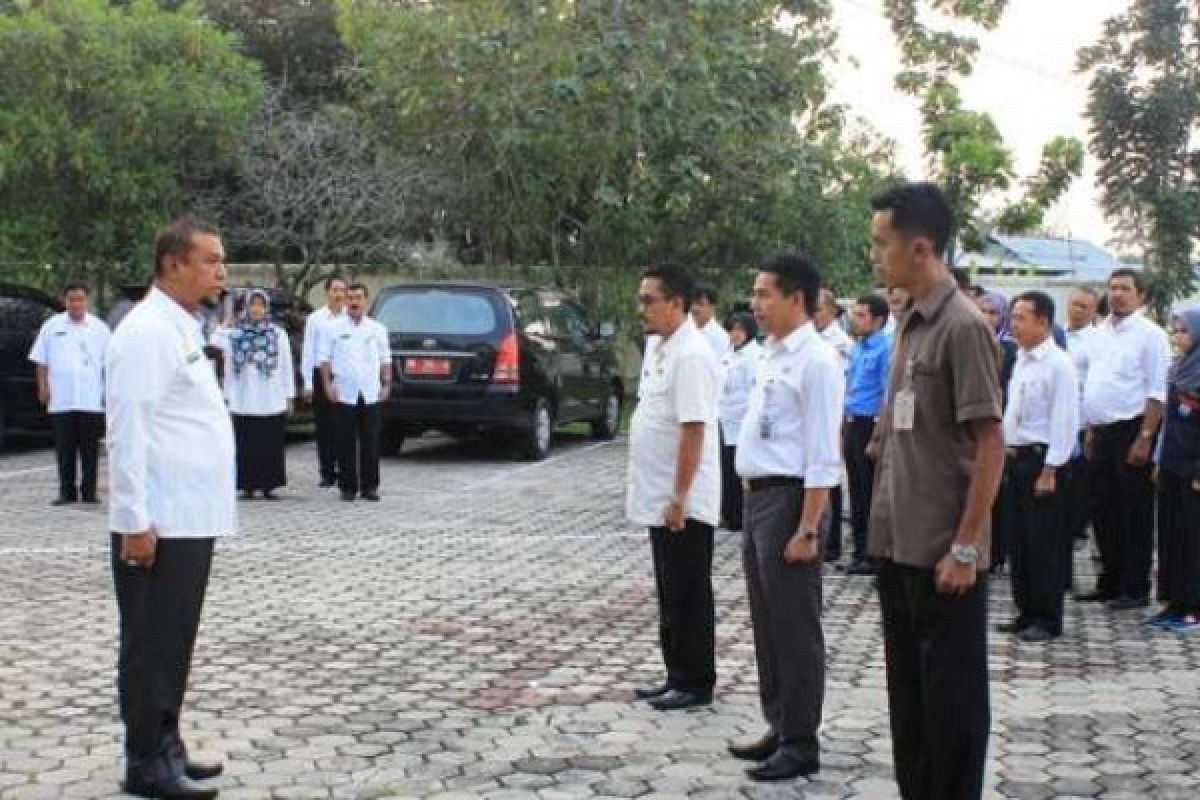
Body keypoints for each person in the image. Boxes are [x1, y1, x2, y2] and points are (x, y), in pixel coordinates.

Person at [867, 183, 1005, 800]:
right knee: (912, 708)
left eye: (882, 244)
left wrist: (968, 546)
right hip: (898, 544)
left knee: (951, 711)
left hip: (944, 554)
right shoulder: (908, 324)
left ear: (920, 248)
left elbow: (990, 443)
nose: (875, 256)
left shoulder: (961, 326)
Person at [106, 217, 233, 799]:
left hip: (187, 517)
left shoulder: (179, 325)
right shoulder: (145, 331)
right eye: (211, 260)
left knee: (173, 643)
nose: (221, 272)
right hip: (157, 523)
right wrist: (134, 521)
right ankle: (147, 765)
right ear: (173, 263)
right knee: (151, 644)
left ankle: (168, 747)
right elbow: (127, 430)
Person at [726, 252, 843, 782]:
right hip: (757, 500)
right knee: (768, 622)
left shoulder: (816, 360)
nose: (756, 305)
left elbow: (823, 452)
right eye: (754, 294)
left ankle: (801, 741)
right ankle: (779, 722)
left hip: (791, 501)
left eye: (765, 295)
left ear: (797, 299)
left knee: (796, 626)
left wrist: (809, 527)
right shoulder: (770, 353)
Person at [627, 263, 721, 712]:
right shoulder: (660, 349)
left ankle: (696, 680)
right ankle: (675, 673)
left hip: (681, 499)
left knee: (688, 590)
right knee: (669, 587)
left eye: (650, 300)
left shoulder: (692, 354)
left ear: (677, 303)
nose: (641, 308)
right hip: (658, 496)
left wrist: (680, 496)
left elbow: (694, 430)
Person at [1079, 268, 1171, 609]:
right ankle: (1110, 581)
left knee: (1134, 510)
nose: (1117, 294)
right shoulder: (1099, 333)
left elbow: (1157, 390)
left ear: (1141, 296)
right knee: (1102, 509)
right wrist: (1090, 428)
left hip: (1133, 429)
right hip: (1100, 430)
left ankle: (1134, 587)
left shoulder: (1151, 335)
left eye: (1125, 289)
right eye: (1113, 287)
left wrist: (1146, 436)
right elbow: (1094, 382)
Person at [998, 291, 1079, 642]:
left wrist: (1051, 469)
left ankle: (1047, 617)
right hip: (1016, 458)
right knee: (1020, 540)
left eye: (1021, 318)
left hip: (1042, 460)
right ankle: (1025, 610)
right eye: (1012, 317)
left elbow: (1064, 419)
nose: (1013, 324)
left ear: (1044, 322)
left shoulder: (1059, 364)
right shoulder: (1021, 359)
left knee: (1043, 543)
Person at [28, 282, 111, 505]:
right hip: (61, 399)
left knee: (89, 449)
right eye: (71, 299)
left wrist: (109, 393)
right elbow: (41, 362)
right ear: (64, 301)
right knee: (65, 449)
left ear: (87, 301)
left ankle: (89, 492)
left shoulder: (100, 329)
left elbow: (110, 365)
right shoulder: (51, 326)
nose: (76, 304)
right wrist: (43, 387)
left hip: (91, 399)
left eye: (80, 299)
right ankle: (66, 492)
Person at [213, 289, 296, 500]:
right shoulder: (236, 334)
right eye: (253, 305)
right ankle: (248, 485)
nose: (257, 309)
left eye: (261, 305)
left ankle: (269, 485)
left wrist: (289, 395)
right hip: (244, 399)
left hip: (271, 399)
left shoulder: (277, 334)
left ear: (266, 308)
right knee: (246, 444)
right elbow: (215, 342)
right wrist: (227, 322)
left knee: (270, 444)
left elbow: (286, 366)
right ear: (247, 308)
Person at [1150, 310, 1200, 632]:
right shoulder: (1178, 369)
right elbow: (1169, 423)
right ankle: (1173, 601)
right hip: (1171, 465)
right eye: (1176, 331)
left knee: (1193, 540)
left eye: (1185, 331)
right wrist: (1158, 459)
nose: (1178, 337)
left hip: (1193, 470)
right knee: (1170, 536)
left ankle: (1193, 607)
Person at [320, 283, 392, 503]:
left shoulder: (377, 328)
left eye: (358, 297)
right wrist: (327, 385)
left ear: (366, 301)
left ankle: (370, 486)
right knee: (345, 441)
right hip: (344, 392)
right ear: (345, 301)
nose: (354, 302)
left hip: (370, 391)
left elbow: (385, 359)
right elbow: (324, 360)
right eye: (350, 298)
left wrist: (387, 384)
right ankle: (348, 486)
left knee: (370, 440)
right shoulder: (332, 328)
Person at [842, 293, 891, 575]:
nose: (855, 321)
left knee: (870, 490)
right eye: (854, 315)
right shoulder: (858, 347)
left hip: (870, 423)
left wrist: (877, 435)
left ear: (878, 320)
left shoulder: (885, 348)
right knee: (857, 491)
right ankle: (860, 551)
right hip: (852, 419)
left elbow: (887, 393)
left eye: (861, 316)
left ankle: (873, 553)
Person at [976, 290, 1018, 574]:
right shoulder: (971, 342)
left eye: (994, 313)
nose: (988, 318)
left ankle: (997, 552)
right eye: (984, 311)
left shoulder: (1011, 350)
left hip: (999, 422)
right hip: (972, 422)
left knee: (997, 490)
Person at [1063, 287, 1100, 587]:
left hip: (1082, 427)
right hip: (1057, 428)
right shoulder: (1055, 336)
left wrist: (1089, 427)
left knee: (1077, 503)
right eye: (1074, 304)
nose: (1077, 310)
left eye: (1084, 307)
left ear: (1093, 311)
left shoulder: (1096, 342)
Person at [814, 288, 851, 561]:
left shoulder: (840, 343)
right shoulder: (813, 339)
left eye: (818, 309)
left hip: (836, 414)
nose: (813, 315)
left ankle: (832, 543)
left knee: (831, 480)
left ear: (830, 311)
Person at [301, 275, 347, 488]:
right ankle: (327, 472)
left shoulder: (351, 317)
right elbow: (308, 351)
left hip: (346, 377)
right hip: (322, 375)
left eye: (341, 290)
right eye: (334, 290)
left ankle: (345, 468)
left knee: (344, 424)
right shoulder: (315, 319)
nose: (338, 294)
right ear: (327, 292)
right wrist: (308, 383)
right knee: (325, 426)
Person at [718, 312, 761, 531]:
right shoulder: (729, 354)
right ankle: (728, 512)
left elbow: (754, 390)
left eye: (739, 330)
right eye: (731, 329)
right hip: (725, 419)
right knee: (725, 468)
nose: (735, 335)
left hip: (742, 420)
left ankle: (738, 516)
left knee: (738, 471)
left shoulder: (754, 356)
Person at [691, 284, 730, 358]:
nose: (694, 308)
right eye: (693, 303)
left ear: (712, 308)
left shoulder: (720, 337)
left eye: (700, 304)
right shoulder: (684, 328)